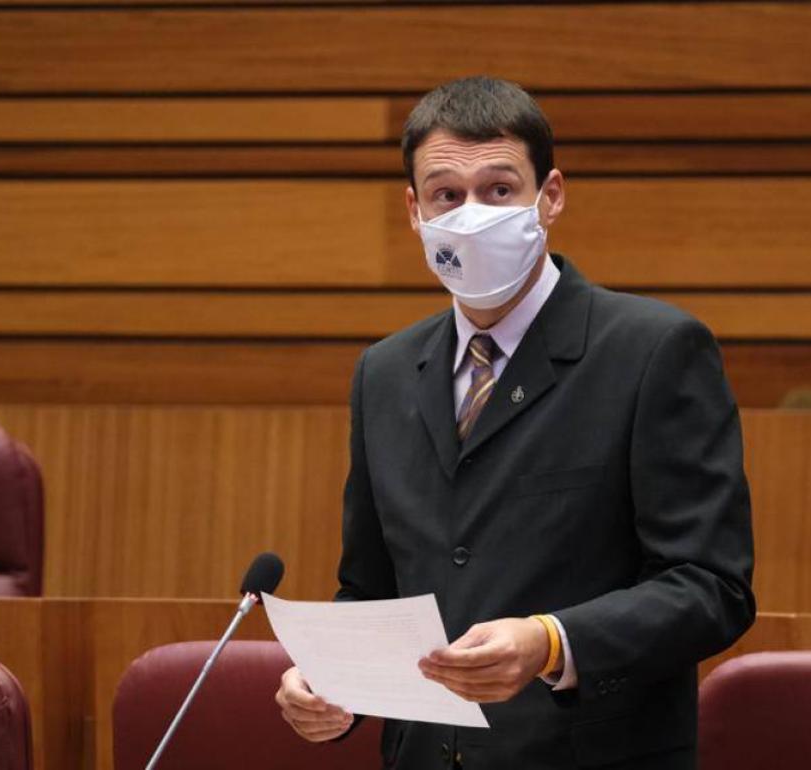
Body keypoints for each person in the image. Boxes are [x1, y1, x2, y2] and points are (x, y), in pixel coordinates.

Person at [275, 76, 755, 770]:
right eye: (446, 194)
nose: (471, 213)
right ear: (414, 210)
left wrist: (551, 642)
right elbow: (372, 590)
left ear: (549, 196)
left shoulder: (653, 351)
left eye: (499, 190)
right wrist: (331, 681)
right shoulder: (383, 373)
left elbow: (712, 587)